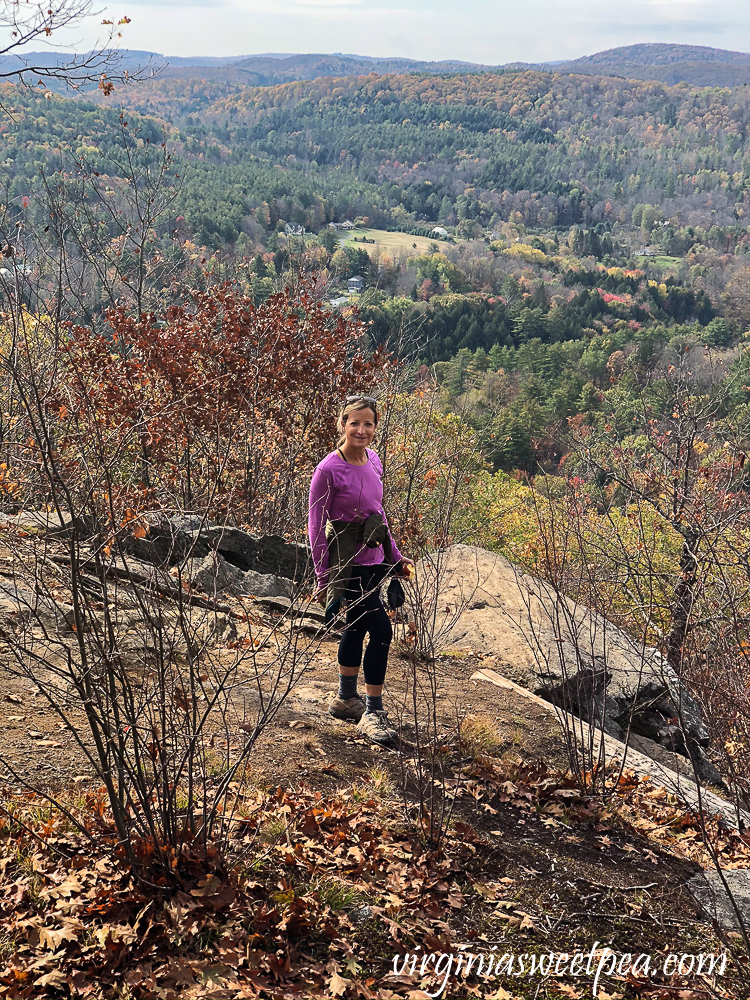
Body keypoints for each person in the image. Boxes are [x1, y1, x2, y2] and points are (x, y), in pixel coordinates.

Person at [308, 395, 414, 748]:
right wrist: (324, 578)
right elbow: (315, 526)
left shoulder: (374, 460)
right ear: (341, 424)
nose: (361, 430)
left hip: (372, 558)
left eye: (368, 423)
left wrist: (395, 557)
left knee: (355, 628)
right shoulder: (327, 470)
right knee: (381, 630)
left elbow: (378, 514)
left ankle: (345, 698)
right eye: (354, 422)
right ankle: (372, 711)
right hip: (344, 563)